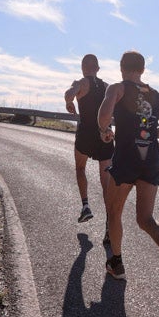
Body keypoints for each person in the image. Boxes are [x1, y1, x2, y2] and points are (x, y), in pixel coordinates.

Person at [97, 50, 159, 292]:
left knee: (114, 212)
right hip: (150, 160)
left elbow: (104, 115)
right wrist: (146, 134)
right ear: (143, 70)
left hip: (126, 158)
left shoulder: (117, 88)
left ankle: (117, 263)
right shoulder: (155, 95)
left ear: (121, 67)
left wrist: (104, 130)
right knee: (145, 219)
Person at [64, 54, 114, 227]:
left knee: (80, 168)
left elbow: (68, 93)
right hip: (104, 136)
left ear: (83, 67)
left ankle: (85, 206)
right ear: (98, 69)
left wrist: (69, 101)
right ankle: (110, 221)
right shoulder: (107, 87)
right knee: (106, 181)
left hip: (85, 134)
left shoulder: (80, 83)